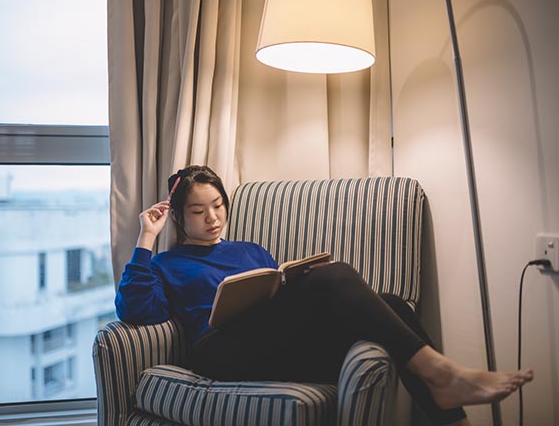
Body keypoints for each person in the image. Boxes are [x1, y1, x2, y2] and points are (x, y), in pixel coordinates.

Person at [115, 165, 533, 426]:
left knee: (391, 303)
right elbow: (136, 310)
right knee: (336, 276)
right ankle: (442, 374)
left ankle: (451, 415)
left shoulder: (250, 250)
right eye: (197, 210)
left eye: (219, 205)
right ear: (178, 217)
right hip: (219, 351)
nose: (212, 217)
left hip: (271, 341)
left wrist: (297, 282)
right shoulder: (165, 264)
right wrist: (147, 237)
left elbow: (276, 296)